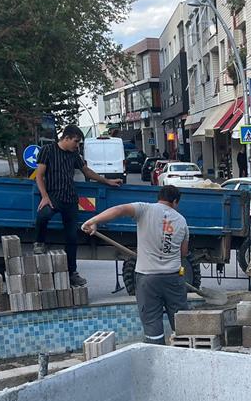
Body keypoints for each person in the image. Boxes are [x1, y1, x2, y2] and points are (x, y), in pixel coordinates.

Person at [81, 186, 189, 345]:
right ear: (175, 202)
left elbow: (119, 210)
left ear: (159, 198)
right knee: (182, 325)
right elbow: (183, 253)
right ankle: (184, 352)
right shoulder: (182, 221)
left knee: (152, 324)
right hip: (173, 279)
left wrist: (93, 221)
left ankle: (156, 353)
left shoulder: (144, 209)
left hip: (147, 279)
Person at [33, 124, 122, 286]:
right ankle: (39, 243)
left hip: (70, 199)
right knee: (43, 215)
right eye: (76, 141)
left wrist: (107, 181)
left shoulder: (74, 154)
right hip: (53, 197)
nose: (77, 145)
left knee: (72, 238)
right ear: (66, 138)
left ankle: (72, 273)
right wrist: (44, 196)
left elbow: (86, 171)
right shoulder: (47, 150)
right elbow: (39, 175)